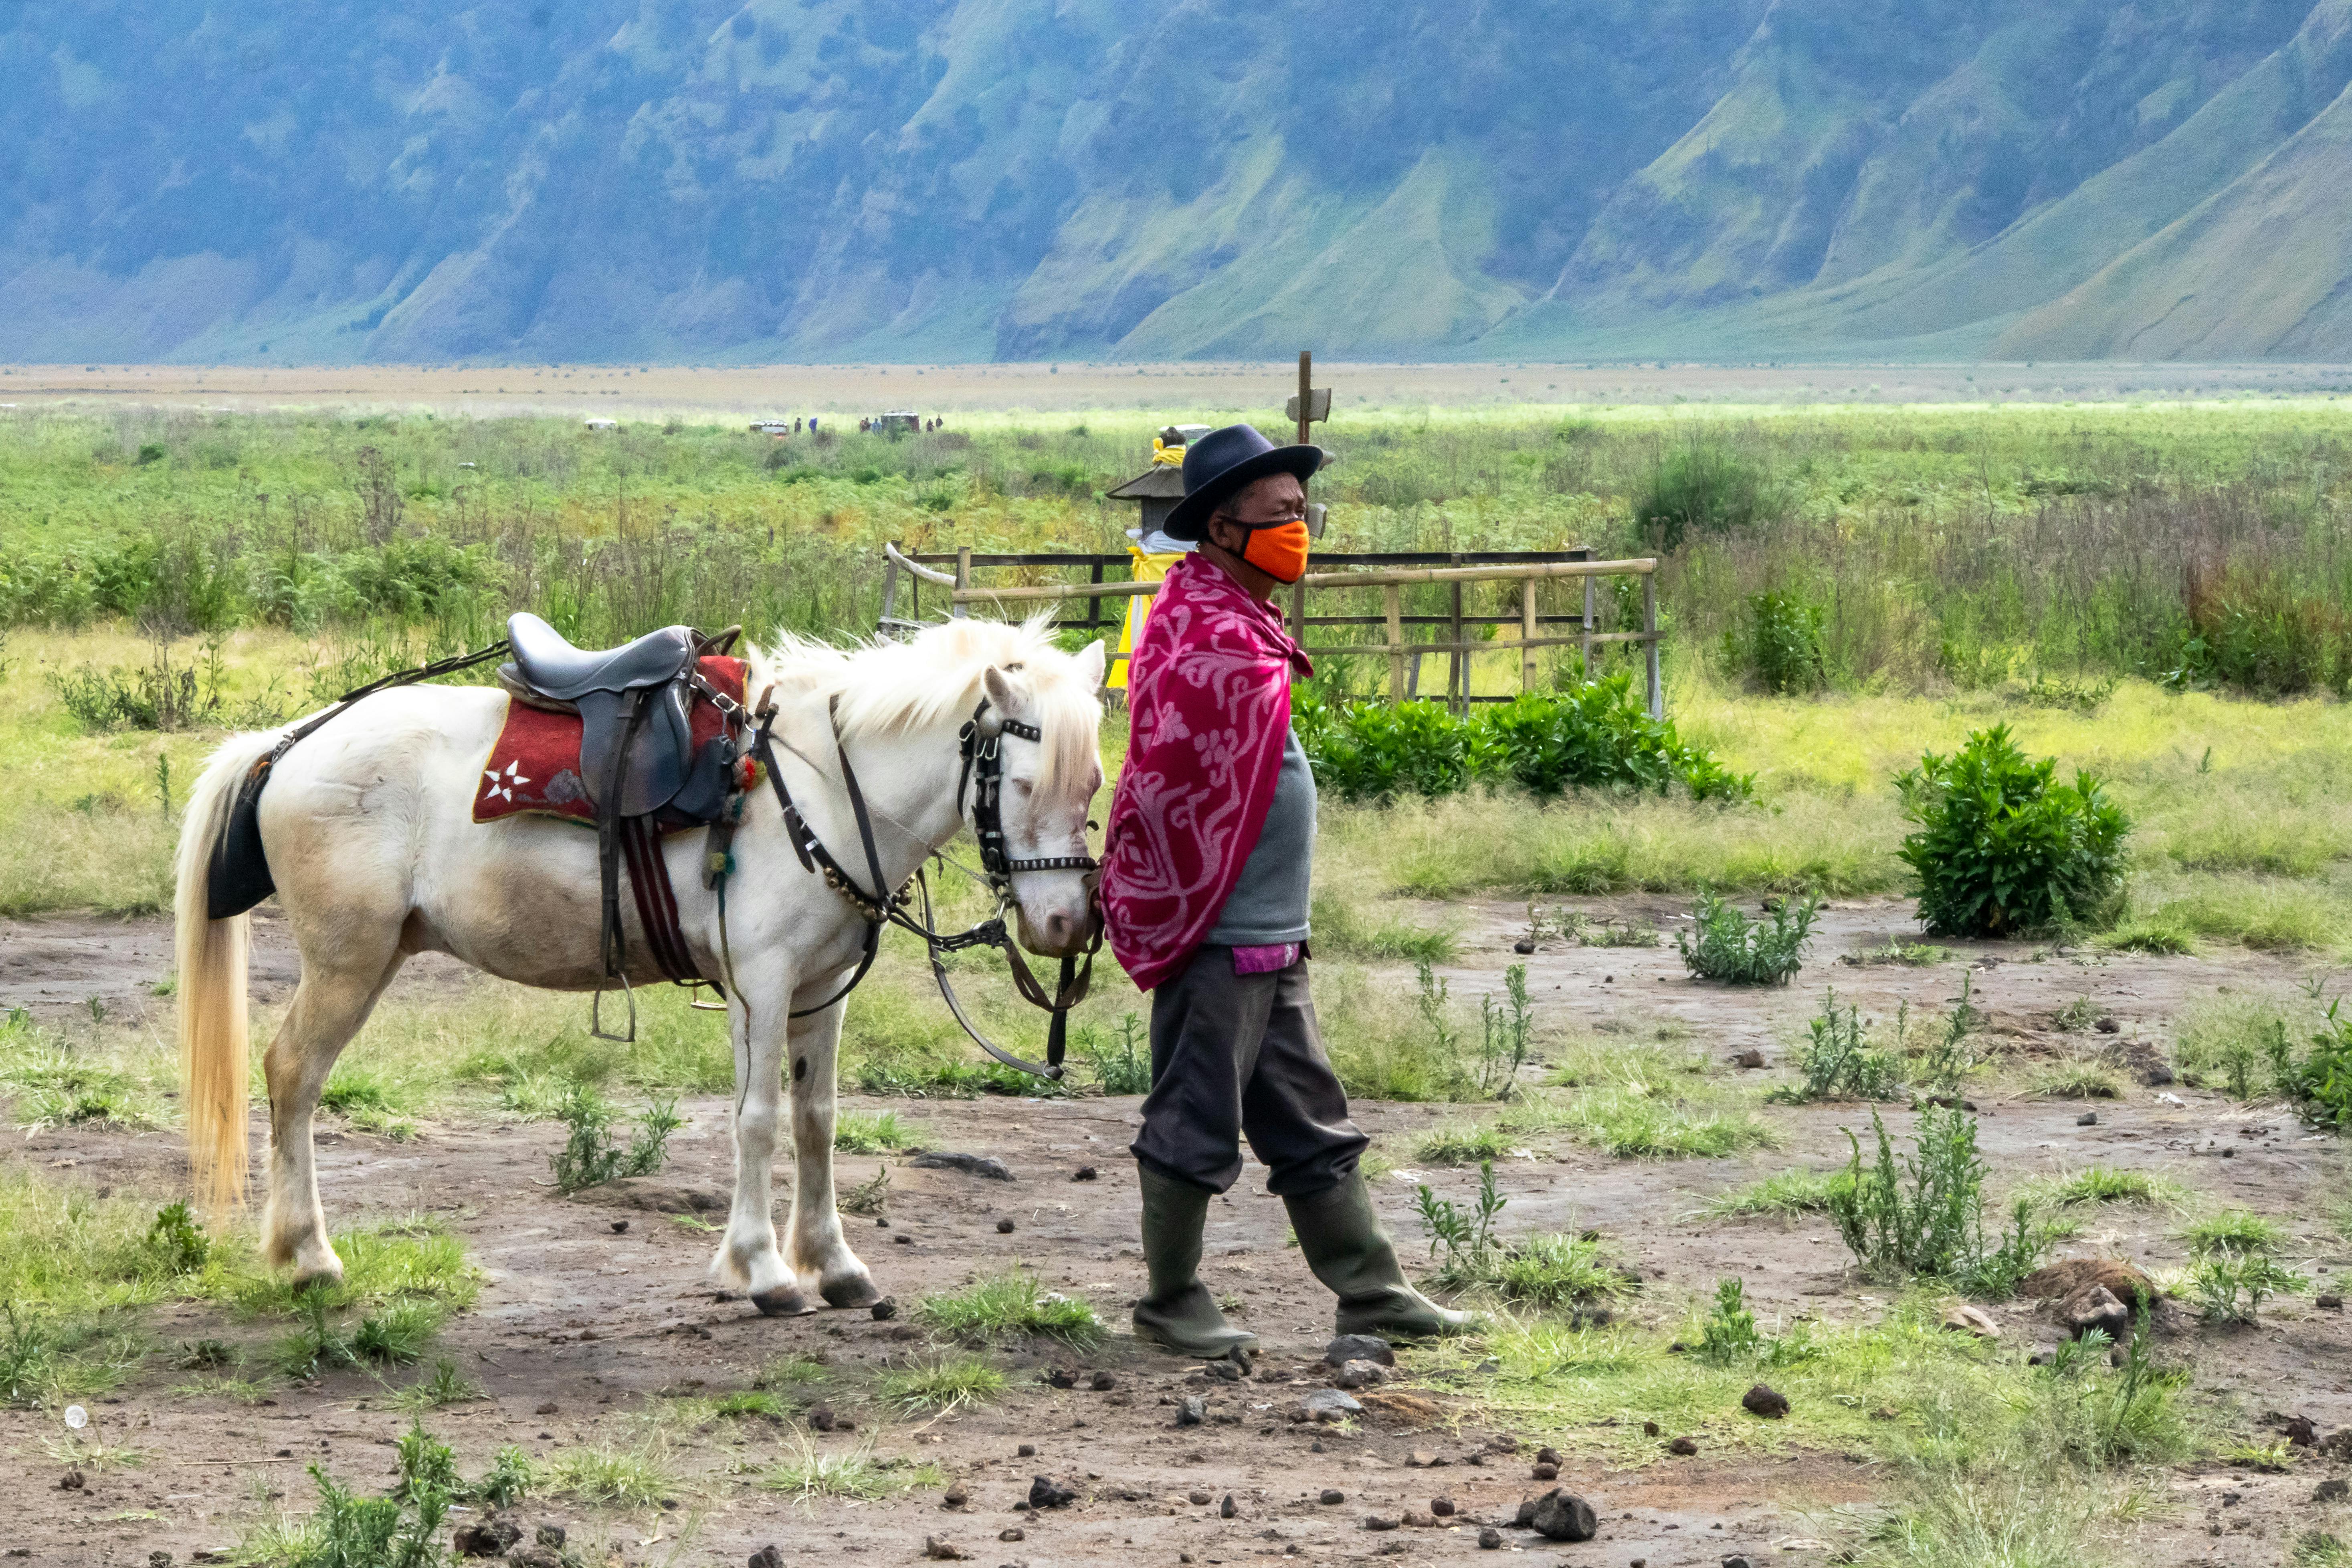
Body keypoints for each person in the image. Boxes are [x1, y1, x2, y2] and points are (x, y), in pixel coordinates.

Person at [1098, 424, 1469, 1360]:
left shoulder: (1242, 620)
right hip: (1219, 933)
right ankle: (1171, 1302)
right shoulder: (1204, 634)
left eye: (1304, 513)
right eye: (1280, 516)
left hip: (1269, 931)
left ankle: (1374, 1294)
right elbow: (1169, 782)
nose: (1300, 530)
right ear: (1223, 530)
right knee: (1194, 1118)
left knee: (1309, 1122)